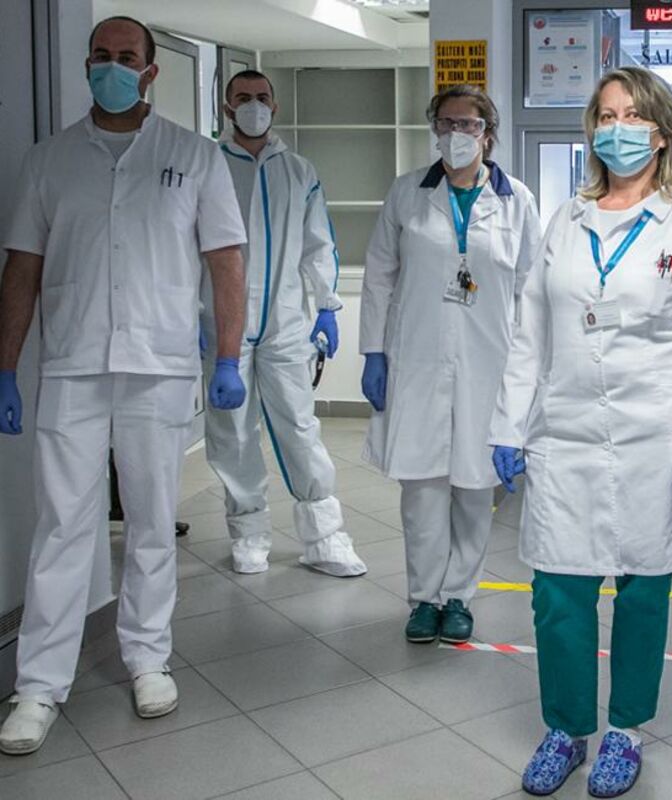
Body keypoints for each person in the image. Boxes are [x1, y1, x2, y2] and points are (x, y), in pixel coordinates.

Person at [0, 16, 248, 755]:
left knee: (149, 521)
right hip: (72, 366)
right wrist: (5, 366)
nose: (113, 66)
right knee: (62, 527)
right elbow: (22, 268)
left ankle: (147, 658)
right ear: (87, 65)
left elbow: (226, 262)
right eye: (101, 56)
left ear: (150, 70)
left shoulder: (193, 156)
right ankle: (38, 686)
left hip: (158, 365)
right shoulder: (49, 161)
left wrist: (227, 357)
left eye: (126, 57)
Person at [490, 67, 672, 798]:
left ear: (661, 134)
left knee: (641, 593)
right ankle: (566, 730)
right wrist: (508, 424)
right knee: (557, 591)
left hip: (653, 437)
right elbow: (529, 333)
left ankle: (626, 732)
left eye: (632, 116)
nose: (616, 128)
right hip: (564, 432)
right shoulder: (565, 220)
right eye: (605, 115)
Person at [360, 85, 540, 645]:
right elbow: (379, 275)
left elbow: (531, 292)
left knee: (474, 487)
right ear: (434, 129)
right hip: (416, 359)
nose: (456, 134)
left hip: (490, 364)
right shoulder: (407, 192)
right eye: (446, 123)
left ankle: (459, 595)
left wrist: (529, 377)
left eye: (468, 124)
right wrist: (373, 352)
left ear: (488, 134)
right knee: (422, 490)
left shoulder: (517, 201)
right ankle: (424, 599)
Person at [200, 69, 366, 577]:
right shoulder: (206, 165)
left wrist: (327, 306)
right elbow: (182, 245)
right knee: (232, 432)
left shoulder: (298, 170)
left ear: (274, 106)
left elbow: (319, 243)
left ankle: (325, 537)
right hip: (223, 323)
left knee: (299, 425)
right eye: (243, 97)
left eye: (261, 97)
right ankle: (248, 532)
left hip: (287, 322)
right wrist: (191, 314)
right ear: (227, 108)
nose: (253, 105)